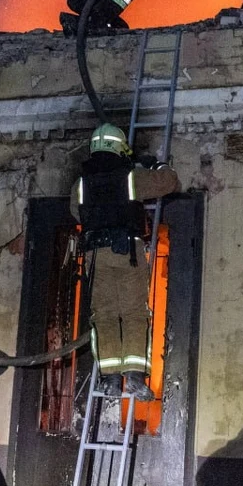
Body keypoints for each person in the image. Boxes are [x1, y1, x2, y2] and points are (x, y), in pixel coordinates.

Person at [70, 123, 180, 400]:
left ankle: (108, 381)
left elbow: (76, 212)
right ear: (120, 148)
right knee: (133, 313)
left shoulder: (81, 183)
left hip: (96, 256)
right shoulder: (130, 177)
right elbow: (169, 182)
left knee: (104, 315)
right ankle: (133, 376)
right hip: (127, 253)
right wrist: (155, 165)